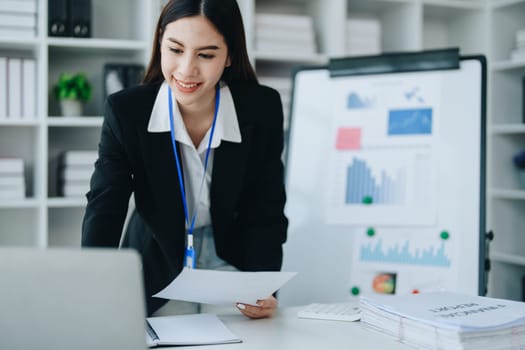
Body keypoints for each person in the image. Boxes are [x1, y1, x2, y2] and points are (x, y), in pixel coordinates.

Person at [81, 0, 288, 319]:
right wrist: (92, 283)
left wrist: (263, 286)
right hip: (157, 255)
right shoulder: (127, 112)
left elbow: (266, 209)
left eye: (206, 55)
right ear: (160, 41)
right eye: (175, 49)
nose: (186, 70)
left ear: (230, 55)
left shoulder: (262, 109)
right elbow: (105, 205)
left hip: (232, 253)